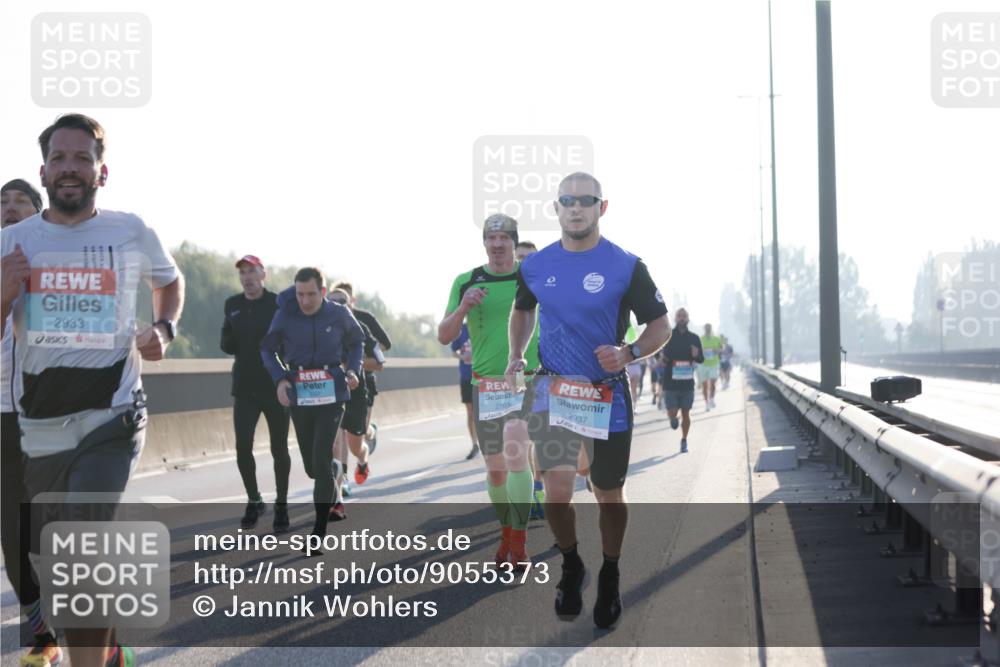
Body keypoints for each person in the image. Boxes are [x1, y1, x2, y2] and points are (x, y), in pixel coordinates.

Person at [2, 114, 185, 667]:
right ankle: (105, 655)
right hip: (41, 428)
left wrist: (163, 329)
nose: (70, 168)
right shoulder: (13, 241)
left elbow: (170, 281)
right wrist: (4, 292)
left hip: (113, 415)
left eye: (82, 158)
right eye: (59, 158)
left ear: (101, 172)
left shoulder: (130, 230)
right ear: (44, 170)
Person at [507, 172, 671, 629]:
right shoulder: (537, 266)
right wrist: (517, 353)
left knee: (608, 493)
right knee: (556, 492)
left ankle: (612, 574)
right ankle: (572, 564)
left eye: (585, 200)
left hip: (606, 396)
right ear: (556, 208)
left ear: (602, 207)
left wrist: (630, 352)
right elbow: (522, 309)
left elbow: (660, 325)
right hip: (554, 391)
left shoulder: (626, 265)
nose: (575, 207)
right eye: (566, 200)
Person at [438, 214, 540, 570]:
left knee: (517, 453)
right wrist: (464, 306)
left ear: (514, 242)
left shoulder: (532, 276)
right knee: (496, 471)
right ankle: (506, 532)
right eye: (491, 238)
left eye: (504, 238)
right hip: (485, 386)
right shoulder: (466, 281)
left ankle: (520, 544)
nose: (497, 244)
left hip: (524, 380)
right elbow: (444, 335)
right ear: (484, 243)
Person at [1, 179, 64, 667]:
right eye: (1, 203)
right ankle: (40, 630)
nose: (8, 209)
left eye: (20, 202)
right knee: (11, 530)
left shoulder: (60, 265)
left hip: (50, 414)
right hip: (2, 416)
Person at [260, 268, 364, 553]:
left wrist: (353, 370)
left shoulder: (339, 314)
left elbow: (357, 342)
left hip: (332, 394)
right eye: (300, 294)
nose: (305, 301)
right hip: (300, 392)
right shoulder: (286, 314)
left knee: (320, 456)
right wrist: (280, 378)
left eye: (311, 294)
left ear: (323, 292)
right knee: (312, 467)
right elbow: (268, 349)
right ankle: (333, 469)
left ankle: (317, 534)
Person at [221, 254, 291, 531]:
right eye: (242, 273)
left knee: (279, 449)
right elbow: (226, 342)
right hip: (245, 387)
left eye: (252, 271)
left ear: (263, 275)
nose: (247, 277)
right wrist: (231, 339)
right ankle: (254, 499)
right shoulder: (233, 305)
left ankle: (282, 506)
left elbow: (289, 339)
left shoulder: (278, 304)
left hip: (275, 386)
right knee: (242, 447)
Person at [327, 287, 383, 520]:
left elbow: (379, 362)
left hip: (356, 392)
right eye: (333, 301)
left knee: (354, 447)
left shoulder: (361, 328)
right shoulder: (321, 328)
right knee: (334, 445)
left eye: (343, 302)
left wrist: (352, 366)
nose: (338, 305)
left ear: (351, 305)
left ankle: (363, 459)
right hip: (330, 393)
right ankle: (337, 498)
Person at [657, 308, 704, 453]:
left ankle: (684, 440)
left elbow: (701, 359)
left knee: (686, 413)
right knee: (672, 412)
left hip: (687, 382)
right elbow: (655, 352)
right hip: (670, 382)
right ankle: (673, 418)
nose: (682, 318)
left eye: (684, 316)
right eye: (679, 316)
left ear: (688, 319)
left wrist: (696, 356)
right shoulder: (667, 336)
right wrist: (661, 359)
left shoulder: (694, 338)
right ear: (675, 318)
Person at [450, 323, 479, 460]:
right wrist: (463, 357)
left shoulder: (483, 324)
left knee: (483, 411)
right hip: (467, 376)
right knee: (470, 412)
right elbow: (453, 351)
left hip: (483, 375)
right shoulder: (461, 329)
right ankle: (474, 444)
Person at [698, 323, 723, 410]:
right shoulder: (700, 339)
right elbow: (697, 350)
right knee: (704, 385)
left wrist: (716, 350)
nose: (708, 329)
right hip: (703, 364)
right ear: (704, 329)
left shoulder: (716, 339)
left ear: (711, 329)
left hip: (713, 364)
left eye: (709, 328)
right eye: (706, 328)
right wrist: (703, 351)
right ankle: (707, 403)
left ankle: (711, 399)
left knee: (712, 382)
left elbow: (721, 349)